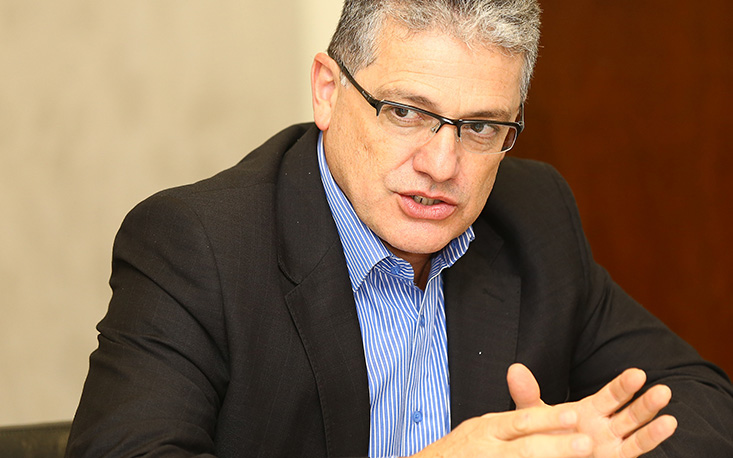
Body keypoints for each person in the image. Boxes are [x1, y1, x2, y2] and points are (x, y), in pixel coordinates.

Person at [65, 1, 733, 457]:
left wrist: (582, 447)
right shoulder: (199, 245)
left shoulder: (533, 216)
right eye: (407, 113)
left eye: (480, 127)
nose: (441, 166)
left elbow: (706, 403)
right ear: (328, 90)